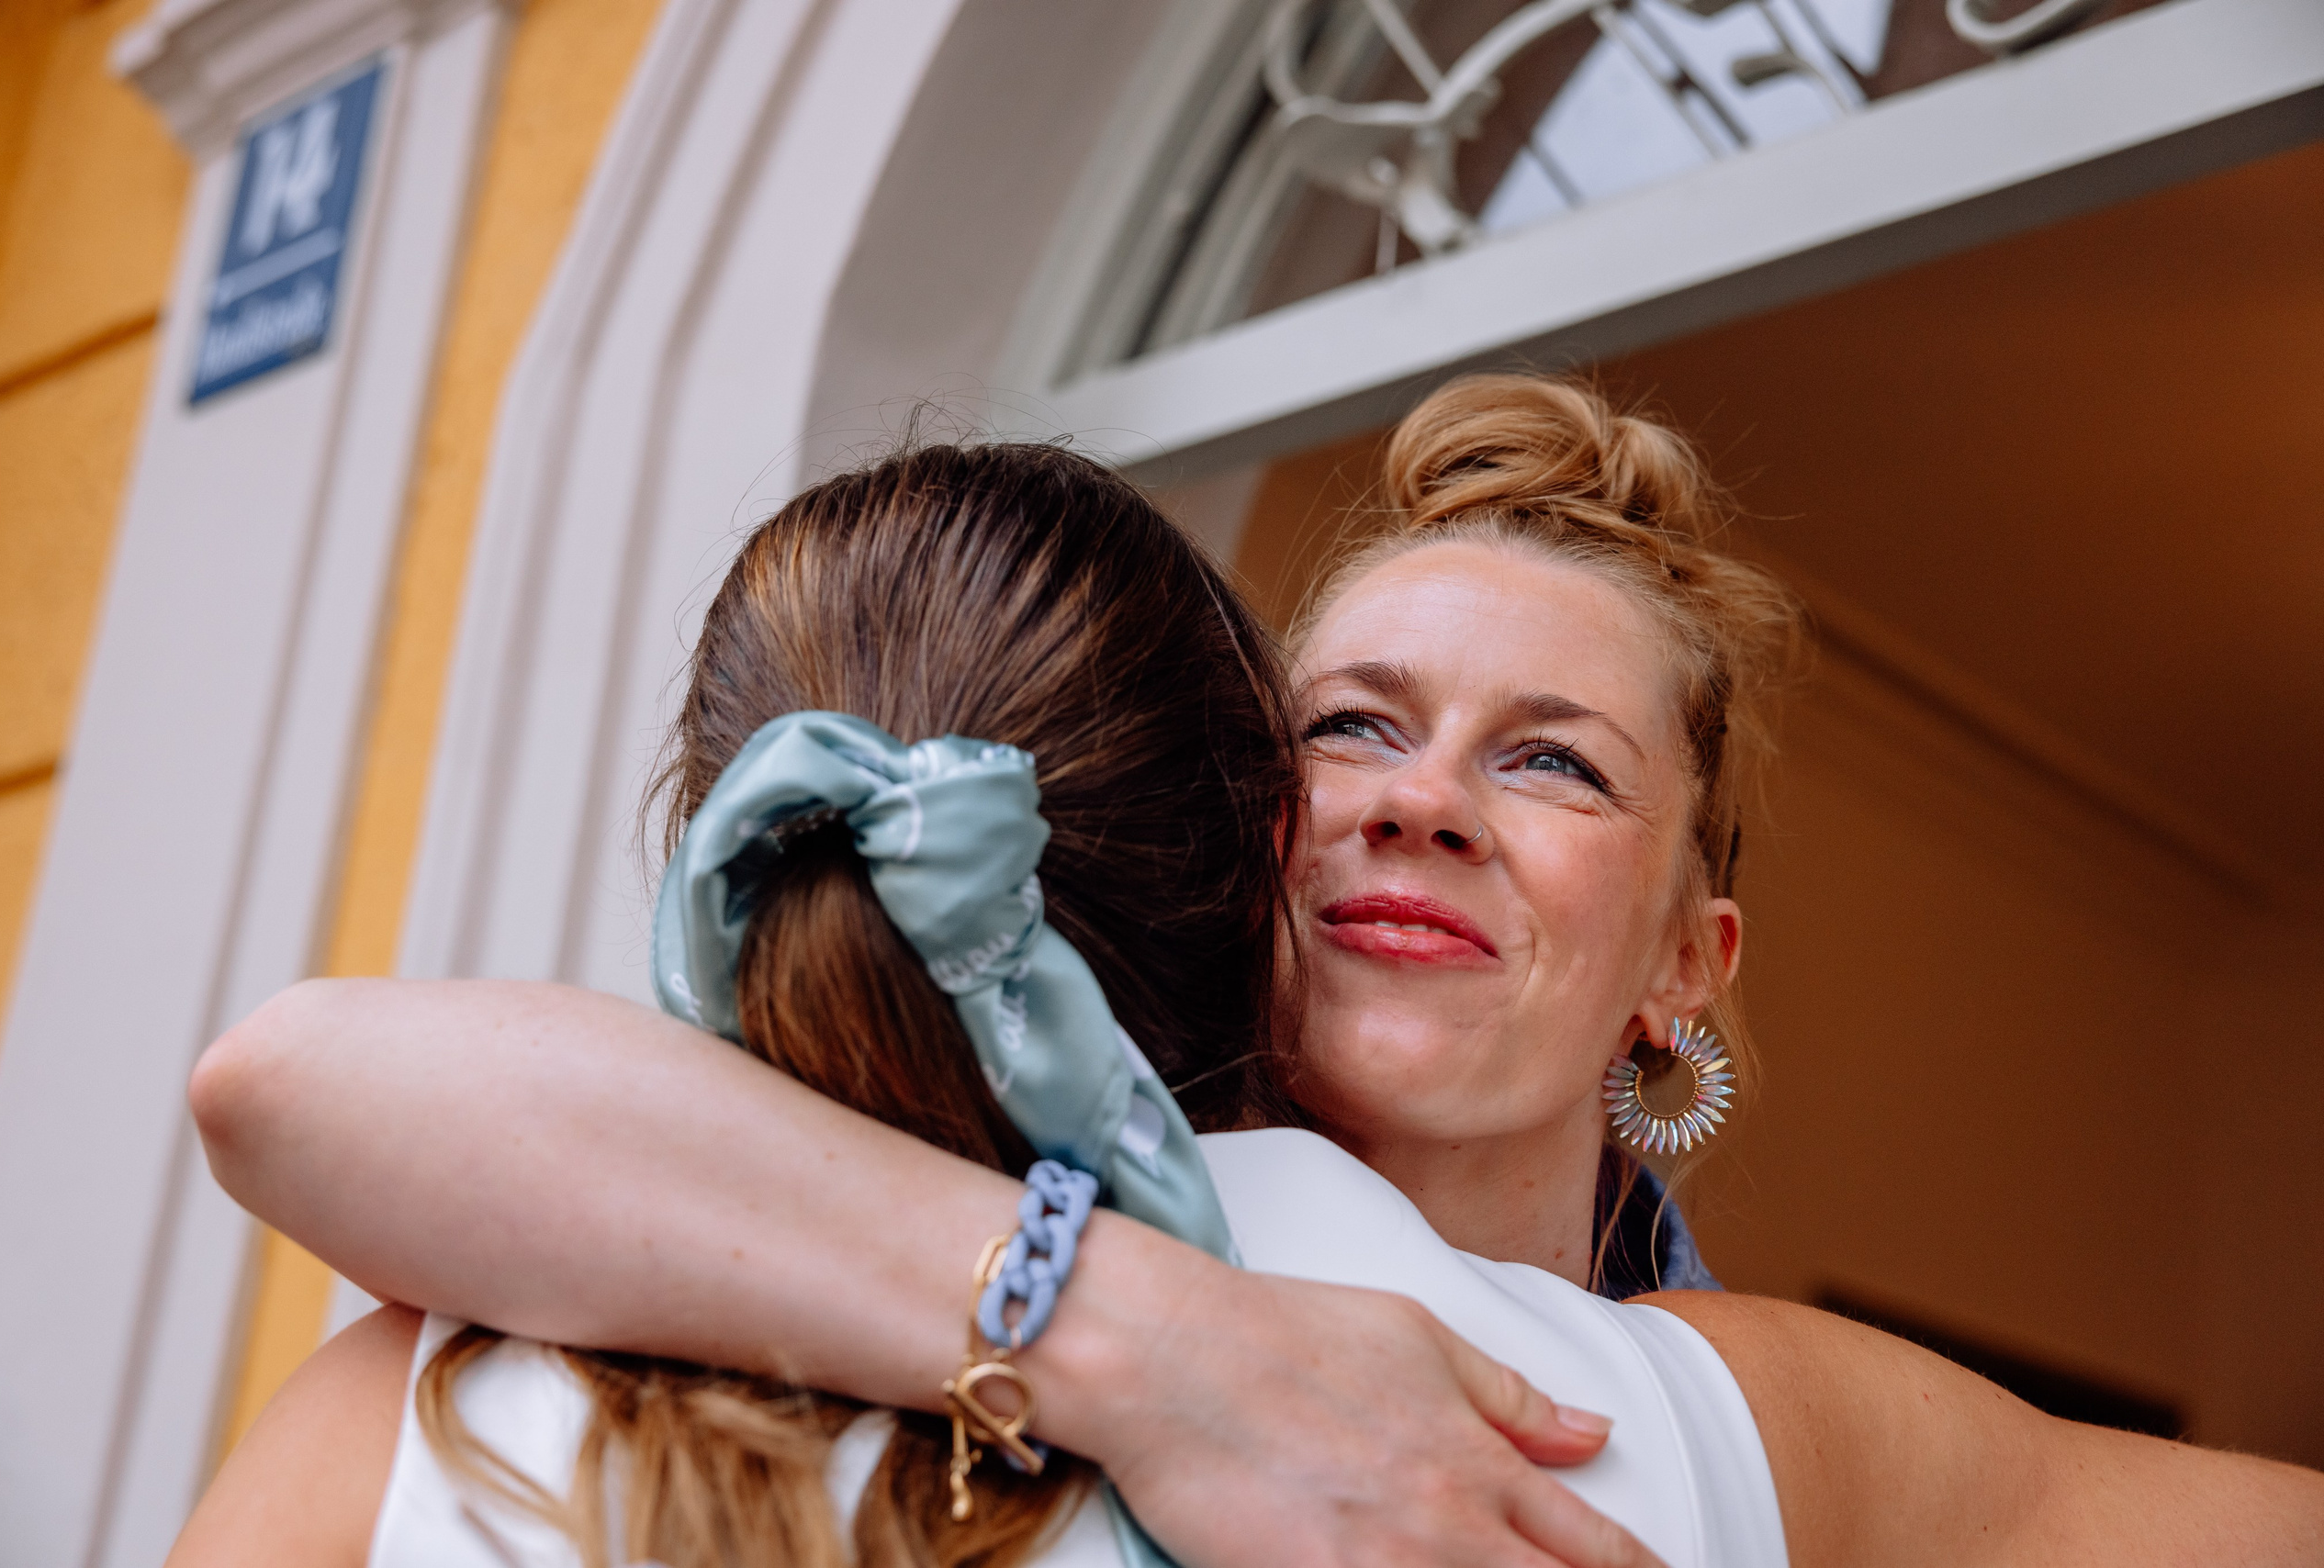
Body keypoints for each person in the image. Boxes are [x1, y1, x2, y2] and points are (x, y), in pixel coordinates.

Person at [188, 386, 2324, 1566]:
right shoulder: (599, 1260)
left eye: (1552, 758)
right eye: (1352, 725)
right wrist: (1148, 1335)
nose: (1421, 801)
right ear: (1224, 825)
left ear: (1689, 961)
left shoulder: (1717, 1415)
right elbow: (299, 1079)